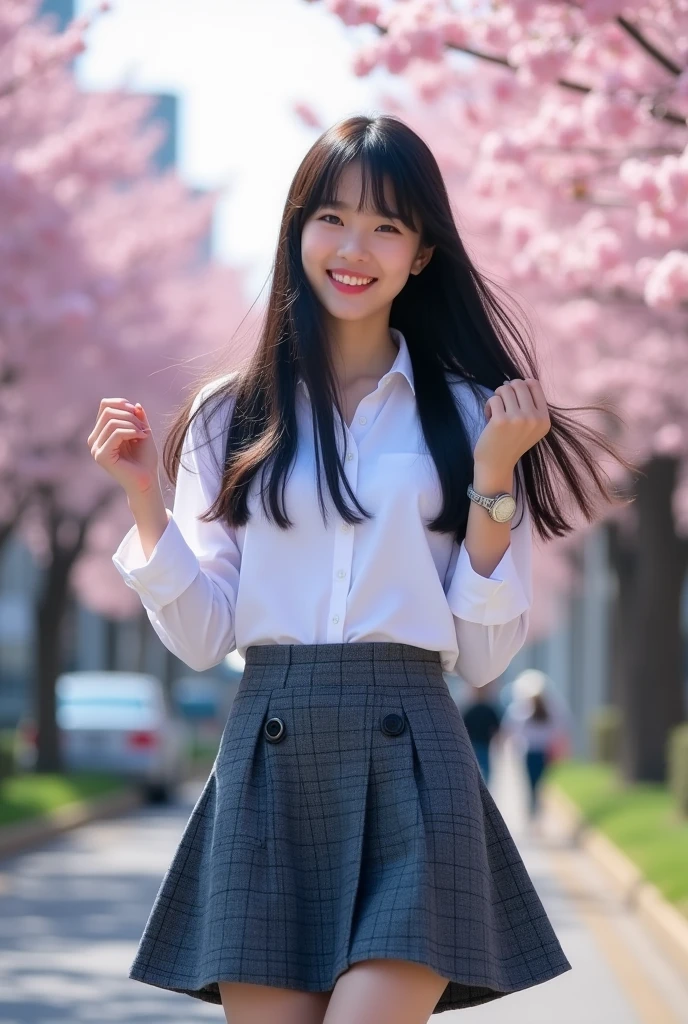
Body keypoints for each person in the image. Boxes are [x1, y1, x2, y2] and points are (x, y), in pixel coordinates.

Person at [89, 114, 632, 1024]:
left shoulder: (469, 416)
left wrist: (495, 477)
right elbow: (204, 636)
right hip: (270, 758)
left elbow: (485, 654)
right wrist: (147, 501)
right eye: (332, 217)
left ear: (422, 253)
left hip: (415, 757)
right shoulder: (230, 416)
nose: (355, 247)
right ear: (297, 229)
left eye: (387, 226)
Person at [503, 669, 572, 821]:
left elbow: (512, 728)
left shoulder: (525, 709)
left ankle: (534, 810)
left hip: (535, 752)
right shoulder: (530, 709)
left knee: (535, 783)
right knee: (536, 783)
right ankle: (535, 810)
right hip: (538, 751)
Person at [461, 683, 503, 785]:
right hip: (477, 745)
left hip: (478, 745)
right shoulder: (485, 709)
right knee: (483, 772)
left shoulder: (472, 709)